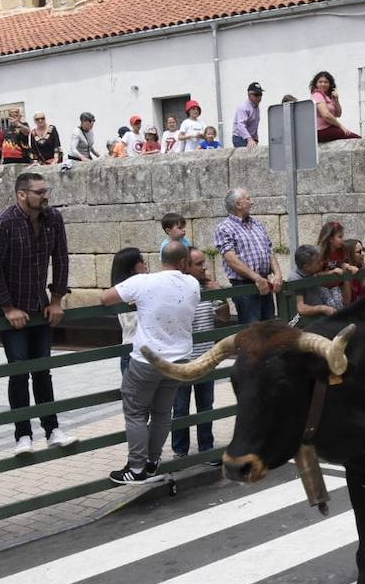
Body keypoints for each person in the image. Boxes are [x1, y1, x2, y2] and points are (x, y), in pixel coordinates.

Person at [0, 171, 78, 455]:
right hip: (10, 306)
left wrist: (56, 299)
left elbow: (61, 259)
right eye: (39, 192)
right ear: (22, 194)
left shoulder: (53, 219)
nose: (45, 195)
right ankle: (22, 435)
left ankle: (52, 429)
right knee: (19, 370)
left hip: (39, 305)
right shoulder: (3, 223)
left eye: (46, 190)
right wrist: (8, 308)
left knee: (42, 370)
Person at [101, 241, 201, 484]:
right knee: (162, 412)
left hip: (147, 360)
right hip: (179, 360)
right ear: (183, 263)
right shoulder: (193, 283)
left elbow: (106, 298)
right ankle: (152, 462)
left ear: (161, 259)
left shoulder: (143, 282)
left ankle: (135, 469)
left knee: (134, 411)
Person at [171, 246, 228, 460]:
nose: (205, 267)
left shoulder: (207, 289)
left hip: (206, 357)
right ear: (185, 266)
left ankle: (207, 448)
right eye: (199, 264)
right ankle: (180, 452)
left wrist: (219, 294)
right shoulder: (178, 290)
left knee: (206, 405)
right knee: (181, 407)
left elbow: (223, 317)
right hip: (183, 358)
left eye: (204, 262)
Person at [215, 186, 283, 322]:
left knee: (270, 327)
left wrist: (278, 274)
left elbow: (269, 250)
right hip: (244, 286)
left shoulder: (257, 224)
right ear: (238, 205)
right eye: (248, 199)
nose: (252, 202)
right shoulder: (224, 228)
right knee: (252, 331)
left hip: (264, 281)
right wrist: (256, 278)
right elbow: (231, 259)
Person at [110, 247, 147, 374]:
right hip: (133, 351)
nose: (145, 263)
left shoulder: (143, 287)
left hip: (147, 350)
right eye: (141, 260)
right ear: (131, 267)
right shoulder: (125, 293)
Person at [288, 244, 342, 319]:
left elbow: (317, 275)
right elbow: (301, 308)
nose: (321, 264)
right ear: (306, 266)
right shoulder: (296, 279)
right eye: (318, 262)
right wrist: (323, 308)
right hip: (305, 323)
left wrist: (331, 272)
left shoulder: (309, 273)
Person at [309, 71, 360, 141]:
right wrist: (341, 126)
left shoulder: (328, 97)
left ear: (330, 84)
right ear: (316, 84)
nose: (323, 84)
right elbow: (326, 115)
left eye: (326, 82)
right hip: (321, 130)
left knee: (355, 137)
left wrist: (336, 100)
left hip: (330, 128)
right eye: (320, 82)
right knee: (356, 138)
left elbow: (338, 114)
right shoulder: (317, 95)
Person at [232, 82, 263, 148]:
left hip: (250, 138)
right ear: (249, 95)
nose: (259, 97)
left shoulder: (256, 107)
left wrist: (256, 138)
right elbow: (240, 125)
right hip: (240, 138)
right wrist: (249, 139)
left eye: (260, 94)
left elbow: (254, 124)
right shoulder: (243, 107)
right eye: (256, 95)